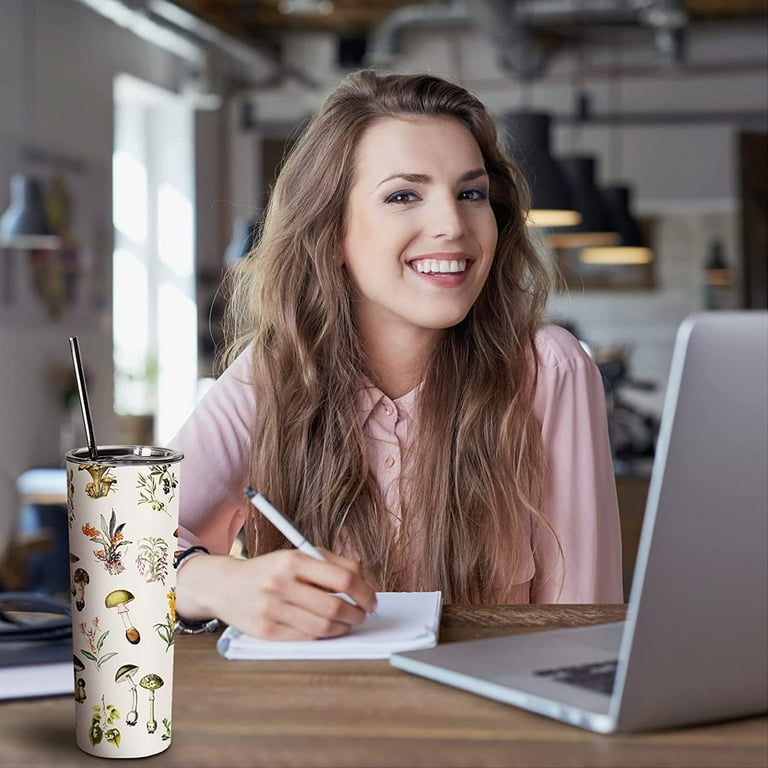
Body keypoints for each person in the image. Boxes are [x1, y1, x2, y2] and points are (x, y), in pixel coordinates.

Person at [170, 69, 623, 641]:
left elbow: (581, 630)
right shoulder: (272, 375)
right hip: (309, 719)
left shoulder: (546, 369)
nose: (453, 224)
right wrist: (215, 582)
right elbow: (115, 552)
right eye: (404, 195)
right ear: (331, 232)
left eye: (471, 193)